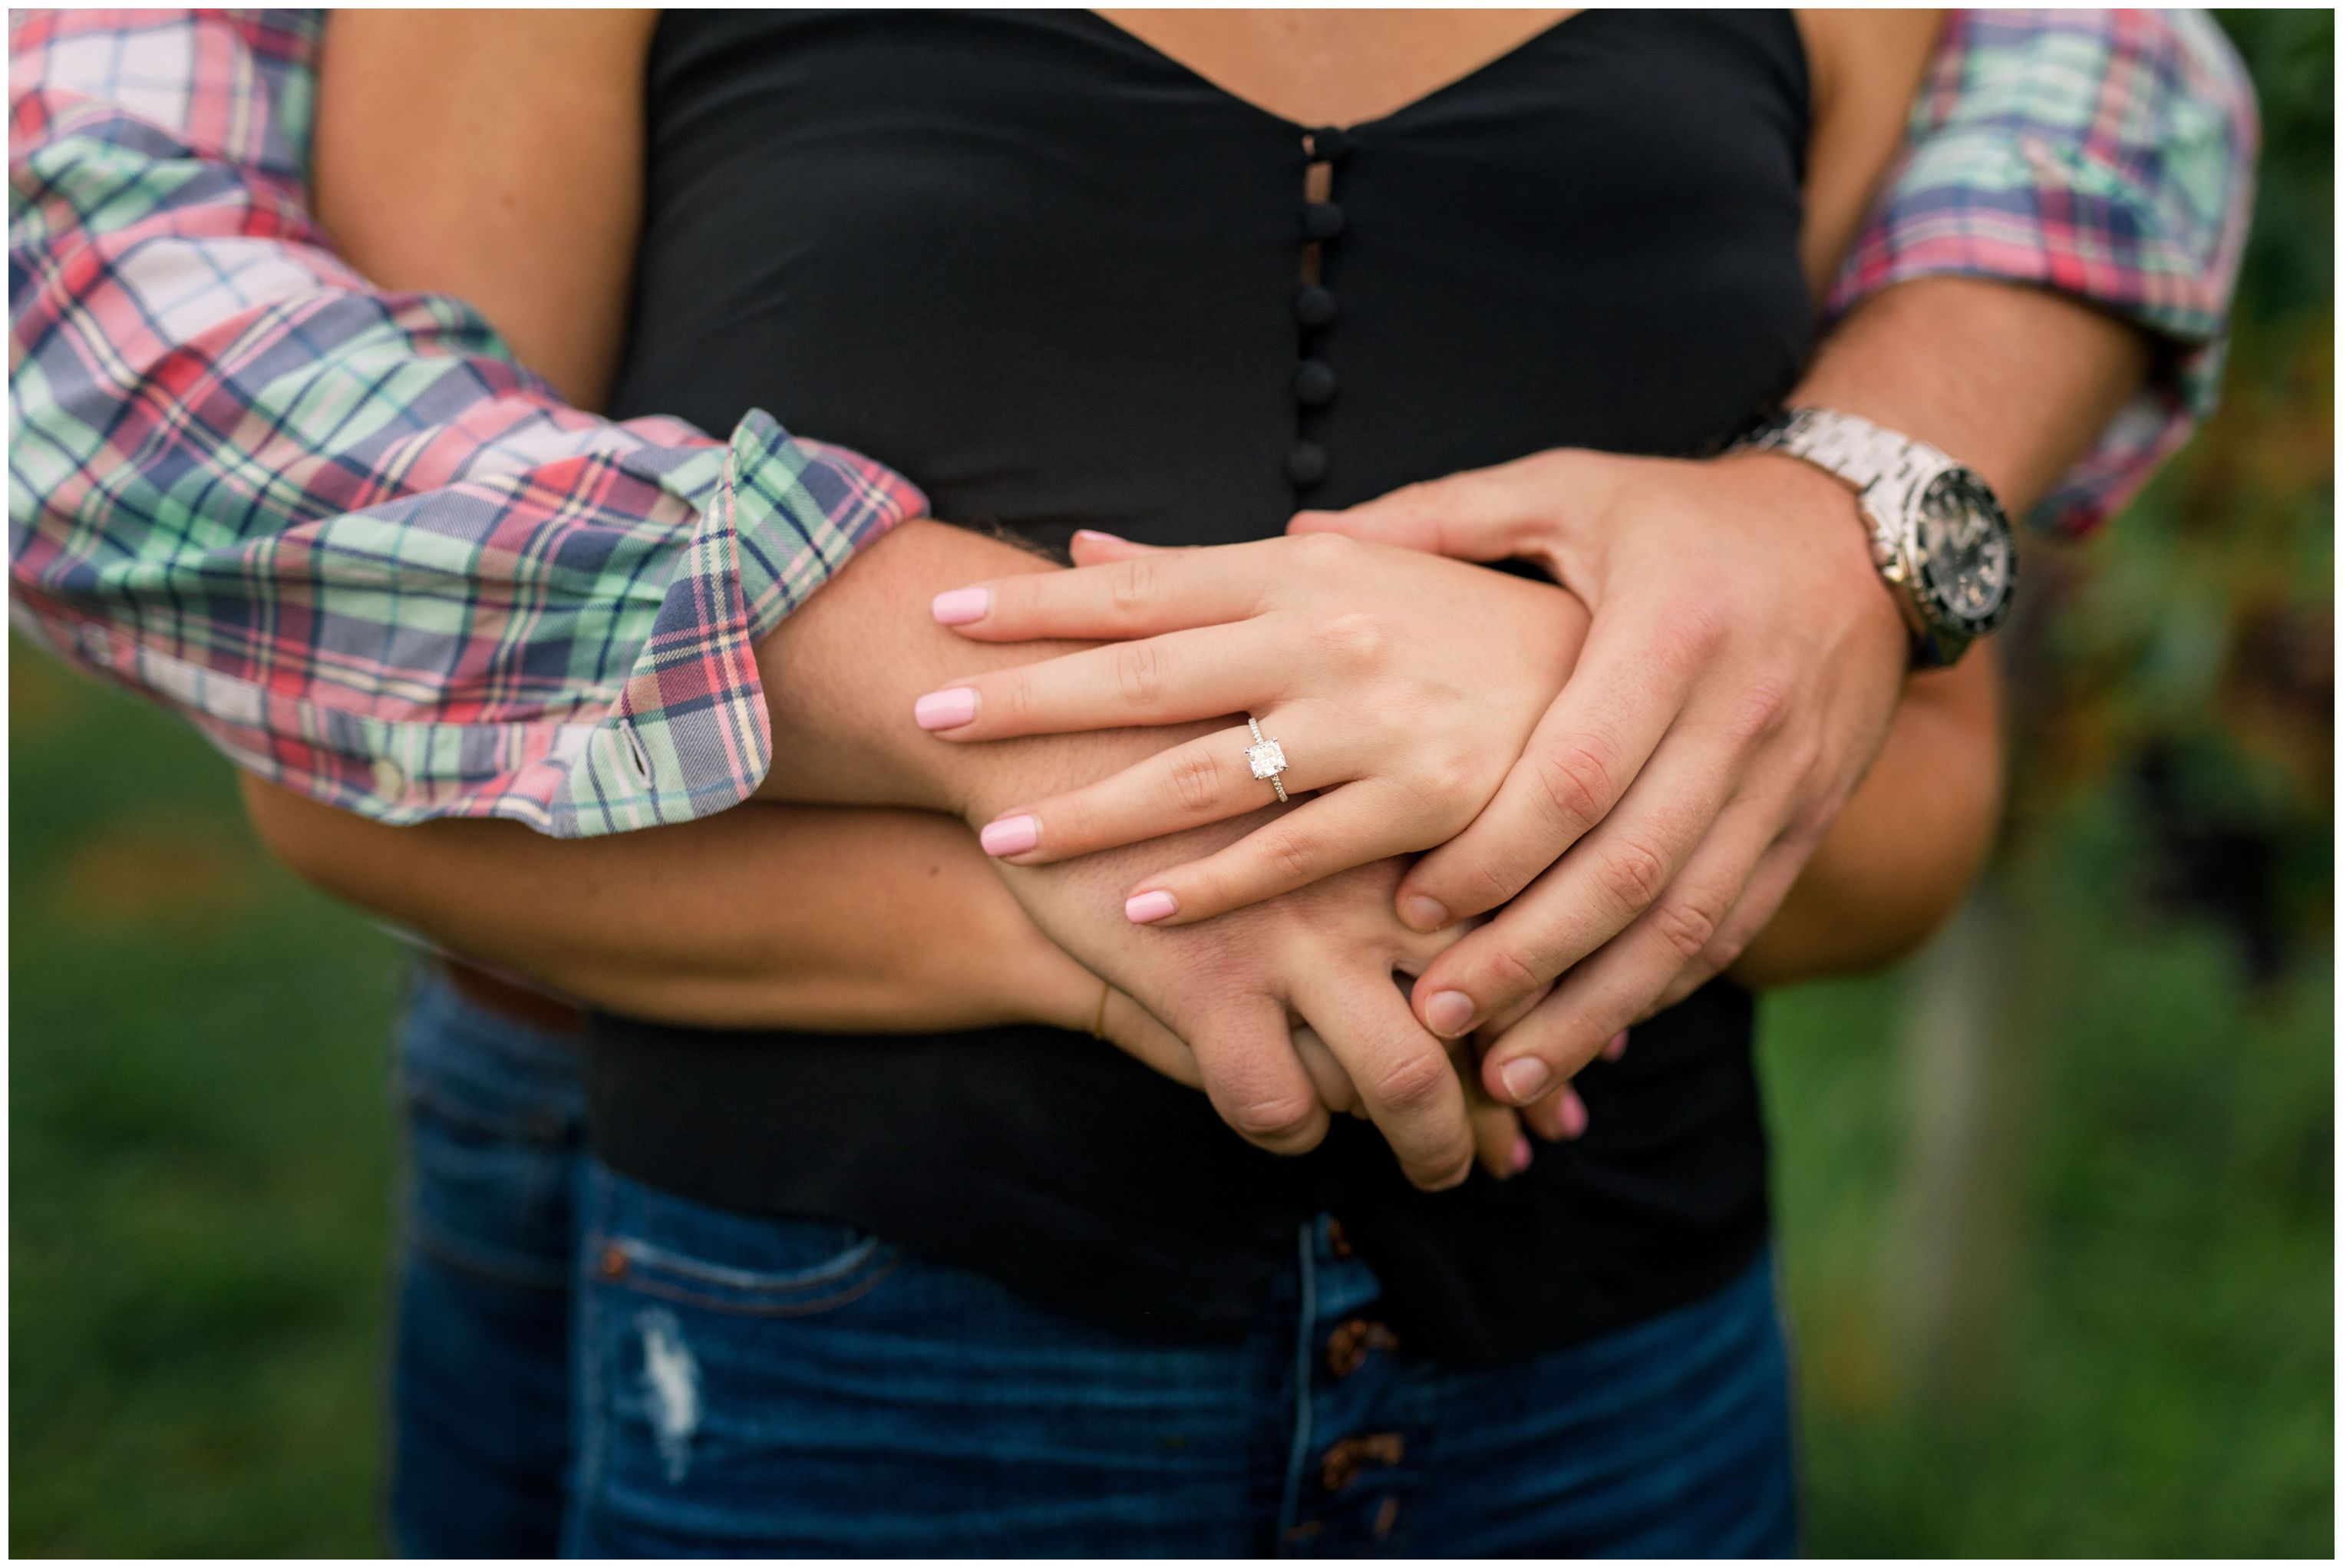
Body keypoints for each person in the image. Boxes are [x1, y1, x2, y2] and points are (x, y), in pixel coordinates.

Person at [7, 6, 2256, 1556]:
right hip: (850, 1380)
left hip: (1619, 1381)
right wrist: (1111, 899)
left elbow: (1909, 808)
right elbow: (361, 771)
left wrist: (1634, 691)